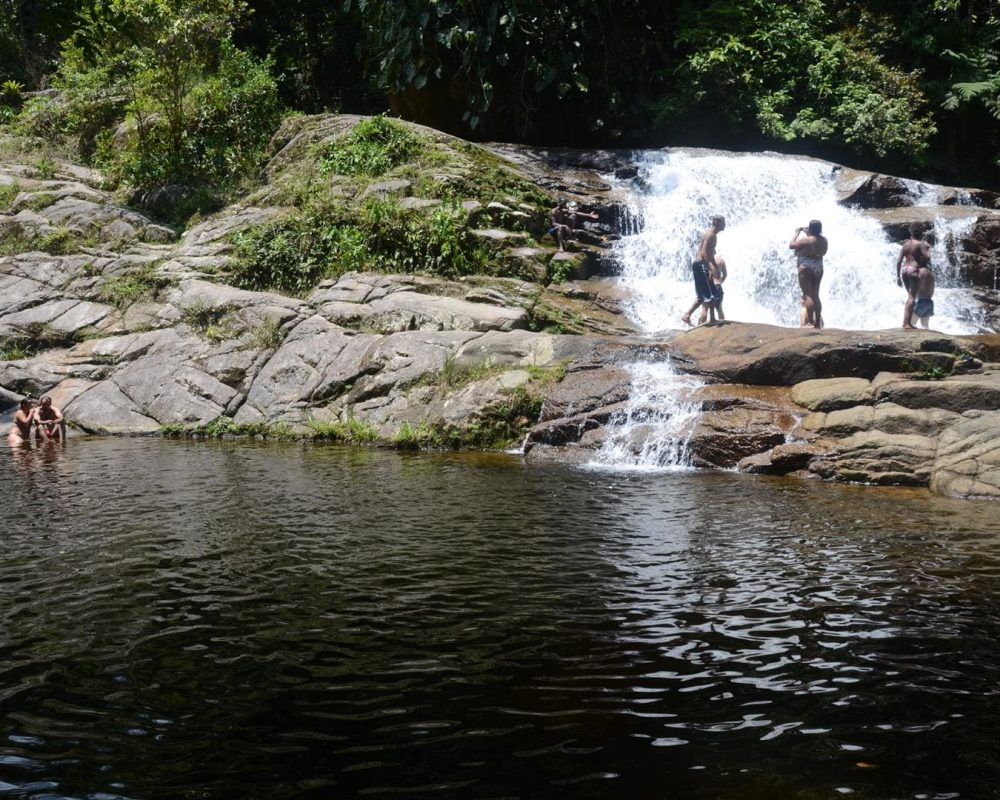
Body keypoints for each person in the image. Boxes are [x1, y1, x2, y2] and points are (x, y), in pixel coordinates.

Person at [682, 215, 726, 326]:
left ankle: (689, 315)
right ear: (718, 223)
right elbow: (704, 253)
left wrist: (714, 266)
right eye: (723, 222)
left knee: (706, 295)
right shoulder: (710, 235)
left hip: (701, 265)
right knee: (710, 293)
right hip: (701, 265)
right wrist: (710, 267)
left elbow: (709, 254)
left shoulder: (711, 234)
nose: (725, 225)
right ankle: (708, 318)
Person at [789, 220, 827, 328]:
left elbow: (791, 245)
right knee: (815, 295)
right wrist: (808, 234)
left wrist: (797, 233)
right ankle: (817, 322)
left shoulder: (807, 240)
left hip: (806, 268)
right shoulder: (824, 240)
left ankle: (810, 322)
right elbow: (819, 249)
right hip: (819, 267)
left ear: (810, 229)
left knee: (807, 295)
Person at [896, 227, 932, 329]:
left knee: (911, 297)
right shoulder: (920, 244)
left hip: (904, 270)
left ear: (911, 234)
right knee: (912, 298)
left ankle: (908, 322)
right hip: (913, 270)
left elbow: (898, 261)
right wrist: (928, 248)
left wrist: (898, 277)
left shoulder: (906, 245)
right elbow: (927, 258)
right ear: (921, 235)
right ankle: (906, 323)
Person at [697, 255, 728, 324]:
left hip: (707, 286)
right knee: (719, 308)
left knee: (705, 308)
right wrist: (719, 283)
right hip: (718, 286)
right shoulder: (721, 260)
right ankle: (722, 327)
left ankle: (702, 328)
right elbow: (725, 275)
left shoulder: (705, 260)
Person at [910, 263, 935, 329]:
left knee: (911, 323)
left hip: (922, 302)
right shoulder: (931, 274)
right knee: (925, 325)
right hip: (930, 302)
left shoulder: (921, 272)